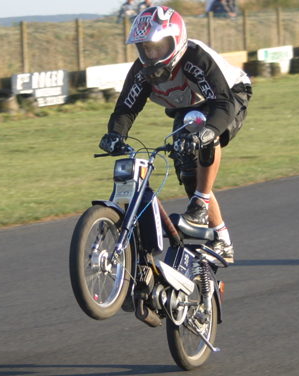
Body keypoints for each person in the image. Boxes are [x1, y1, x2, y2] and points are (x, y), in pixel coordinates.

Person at [99, 6, 252, 262]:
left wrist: (207, 132)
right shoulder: (141, 70)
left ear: (176, 40)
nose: (151, 54)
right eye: (146, 48)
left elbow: (223, 105)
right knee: (187, 170)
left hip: (228, 95)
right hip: (189, 104)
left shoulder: (195, 57)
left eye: (158, 47)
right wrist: (115, 134)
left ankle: (201, 204)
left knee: (203, 135)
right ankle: (221, 238)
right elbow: (126, 107)